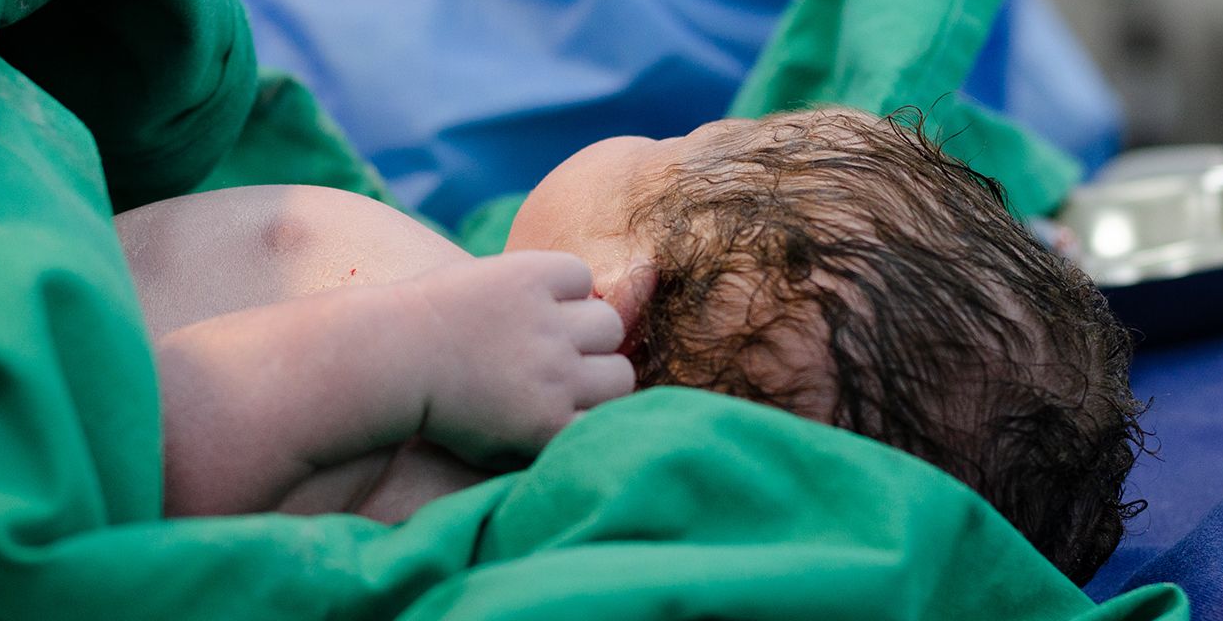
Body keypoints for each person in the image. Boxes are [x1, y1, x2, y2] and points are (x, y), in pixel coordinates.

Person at [119, 106, 1145, 583]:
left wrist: (410, 353)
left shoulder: (419, 452)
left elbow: (128, 455)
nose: (670, 128)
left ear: (621, 304)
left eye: (678, 145)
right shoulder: (459, 317)